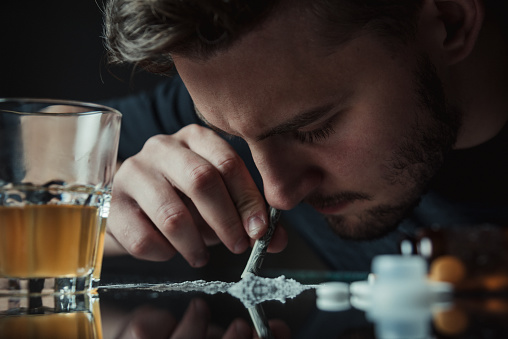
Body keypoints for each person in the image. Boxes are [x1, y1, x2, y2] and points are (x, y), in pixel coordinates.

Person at [101, 0, 508, 272]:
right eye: (232, 135)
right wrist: (107, 213)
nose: (279, 194)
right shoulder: (250, 93)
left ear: (450, 22)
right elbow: (41, 165)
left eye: (313, 128)